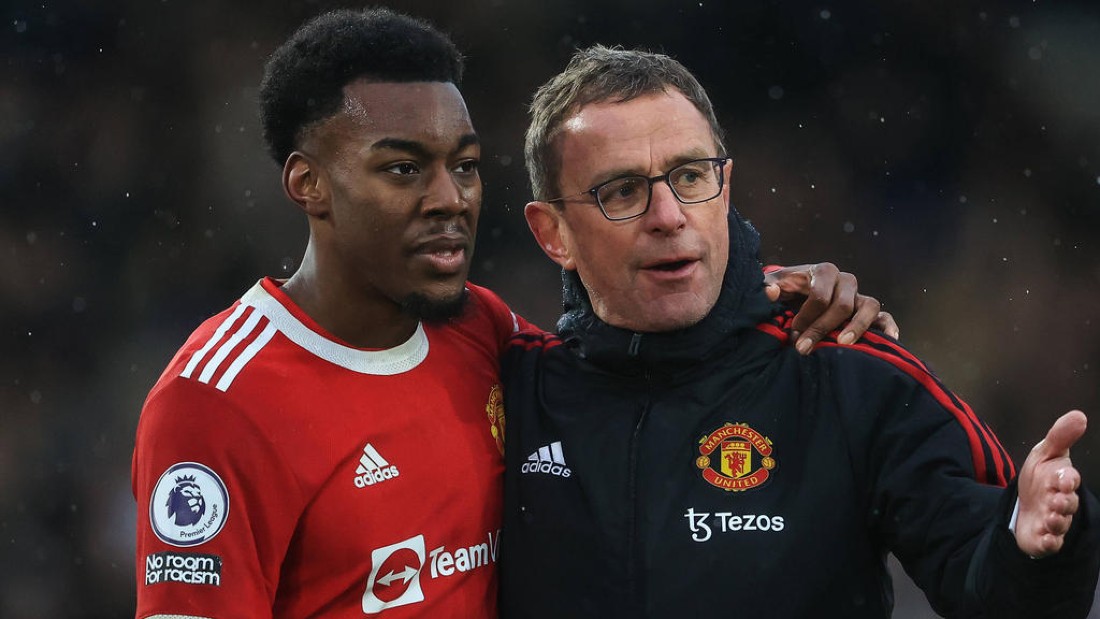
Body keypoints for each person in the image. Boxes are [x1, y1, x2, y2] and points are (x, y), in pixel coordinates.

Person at [131, 9, 892, 619]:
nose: (449, 198)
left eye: (463, 165)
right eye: (403, 168)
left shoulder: (481, 333)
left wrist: (768, 295)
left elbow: (639, 361)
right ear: (309, 184)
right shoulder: (217, 398)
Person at [499, 45, 1100, 618]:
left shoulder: (848, 368)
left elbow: (991, 584)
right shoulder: (510, 393)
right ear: (552, 233)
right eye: (622, 191)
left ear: (724, 186)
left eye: (689, 176)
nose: (669, 216)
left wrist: (1031, 547)